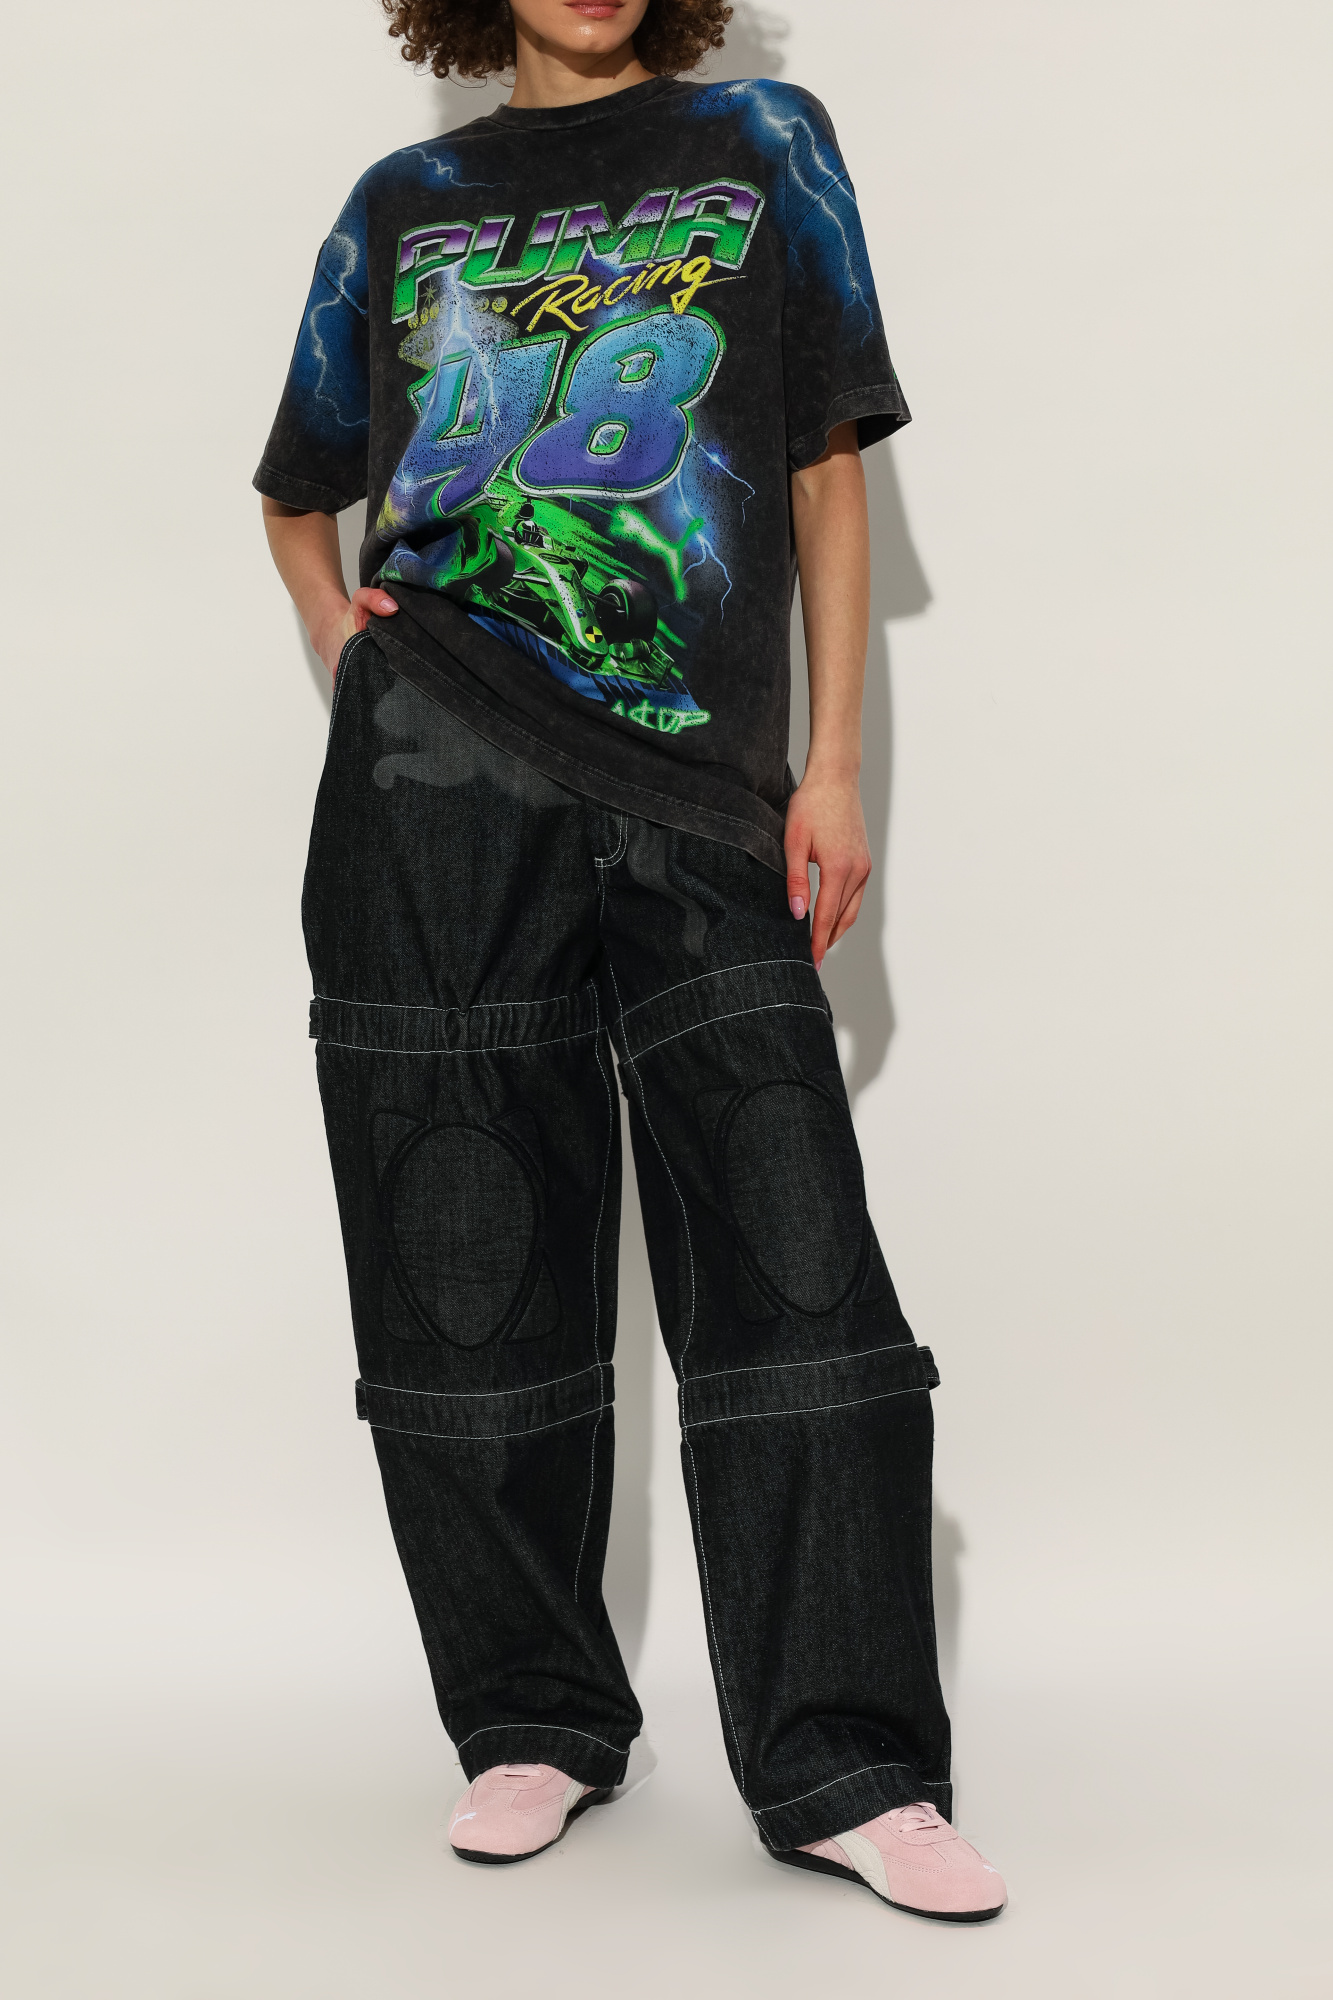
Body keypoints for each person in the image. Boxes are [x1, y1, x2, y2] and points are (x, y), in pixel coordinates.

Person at [257, 0, 1006, 1922]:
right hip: (429, 786)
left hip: (696, 789)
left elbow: (821, 461)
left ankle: (848, 1761)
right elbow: (297, 485)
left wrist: (828, 767)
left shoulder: (764, 147)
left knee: (792, 1254)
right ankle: (530, 1721)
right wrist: (358, 655)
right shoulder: (402, 199)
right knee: (459, 1249)